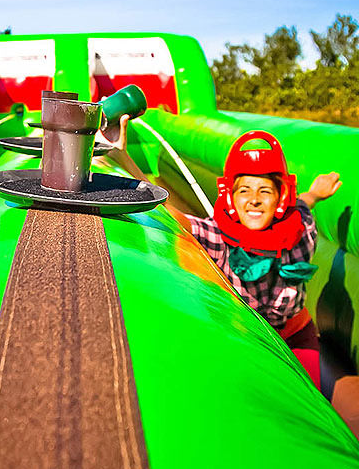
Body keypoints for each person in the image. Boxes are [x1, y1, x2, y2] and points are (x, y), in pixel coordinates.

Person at [107, 117, 341, 390]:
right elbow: (170, 213)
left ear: (281, 198)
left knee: (309, 399)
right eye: (244, 191)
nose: (254, 199)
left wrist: (315, 193)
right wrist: (123, 157)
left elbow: (303, 205)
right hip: (254, 338)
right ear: (230, 197)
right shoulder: (220, 237)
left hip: (298, 333)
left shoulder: (300, 225)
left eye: (265, 191)